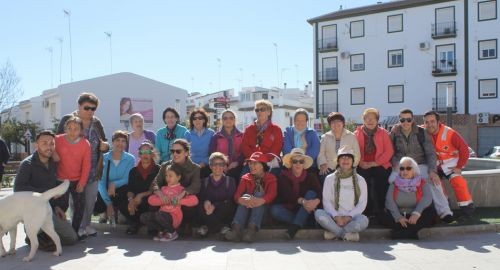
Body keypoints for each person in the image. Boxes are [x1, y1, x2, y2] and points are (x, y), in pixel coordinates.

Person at [14, 130, 78, 249]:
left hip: (50, 210)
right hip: (33, 212)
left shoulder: (54, 163)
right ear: (36, 145)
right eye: (44, 143)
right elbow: (19, 189)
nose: (49, 147)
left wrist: (57, 206)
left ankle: (42, 236)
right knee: (65, 238)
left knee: (72, 238)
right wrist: (48, 192)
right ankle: (33, 235)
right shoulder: (27, 164)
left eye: (51, 143)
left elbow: (57, 185)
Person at [57, 92, 109, 238]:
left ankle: (86, 225)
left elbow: (104, 142)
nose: (90, 111)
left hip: (93, 169)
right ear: (79, 106)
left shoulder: (97, 122)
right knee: (76, 201)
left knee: (90, 199)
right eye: (87, 108)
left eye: (93, 109)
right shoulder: (68, 120)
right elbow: (58, 141)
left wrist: (106, 146)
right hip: (71, 170)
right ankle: (77, 227)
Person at [389, 108, 454, 223]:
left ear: (412, 120)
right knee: (391, 180)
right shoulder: (394, 133)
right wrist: (395, 163)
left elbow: (430, 153)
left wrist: (433, 171)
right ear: (399, 120)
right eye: (402, 120)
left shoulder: (421, 132)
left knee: (433, 181)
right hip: (402, 165)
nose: (405, 123)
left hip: (419, 164)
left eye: (408, 120)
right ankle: (397, 211)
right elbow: (390, 151)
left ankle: (444, 212)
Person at [423, 110, 475, 218]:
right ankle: (445, 210)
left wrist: (459, 167)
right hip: (436, 165)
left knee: (458, 181)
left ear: (438, 122)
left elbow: (464, 149)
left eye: (432, 121)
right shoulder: (423, 130)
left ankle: (467, 211)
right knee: (435, 182)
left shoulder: (449, 133)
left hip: (451, 164)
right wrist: (397, 126)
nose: (429, 124)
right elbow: (409, 126)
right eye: (426, 122)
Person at [314, 146, 368, 242]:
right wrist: (336, 217)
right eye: (342, 157)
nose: (345, 160)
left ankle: (334, 233)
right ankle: (346, 235)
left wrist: (349, 217)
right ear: (338, 161)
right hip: (333, 219)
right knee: (319, 214)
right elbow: (326, 202)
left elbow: (362, 203)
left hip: (352, 219)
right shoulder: (329, 178)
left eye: (348, 157)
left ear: (353, 161)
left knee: (364, 220)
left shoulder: (360, 180)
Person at [225, 152, 277, 243]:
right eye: (250, 163)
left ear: (262, 165)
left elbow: (272, 194)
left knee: (259, 193)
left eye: (255, 163)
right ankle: (236, 230)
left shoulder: (271, 178)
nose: (251, 166)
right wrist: (243, 200)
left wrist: (260, 200)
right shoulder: (245, 177)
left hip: (263, 214)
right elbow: (237, 196)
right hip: (246, 212)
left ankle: (251, 231)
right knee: (245, 196)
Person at [150, 139, 201, 232]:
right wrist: (160, 194)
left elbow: (196, 186)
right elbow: (155, 182)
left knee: (190, 205)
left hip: (182, 201)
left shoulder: (195, 168)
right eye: (172, 151)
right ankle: (161, 227)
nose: (175, 154)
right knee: (152, 201)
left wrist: (182, 194)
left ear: (186, 153)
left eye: (178, 151)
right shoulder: (165, 165)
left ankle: (185, 225)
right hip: (166, 200)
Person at [271, 148, 321, 239]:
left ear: (303, 164)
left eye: (301, 161)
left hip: (306, 208)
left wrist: (316, 201)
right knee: (275, 210)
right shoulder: (283, 176)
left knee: (311, 194)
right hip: (290, 208)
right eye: (295, 161)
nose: (298, 164)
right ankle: (303, 221)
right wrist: (303, 201)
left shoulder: (311, 176)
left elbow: (319, 192)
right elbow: (287, 195)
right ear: (290, 163)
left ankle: (294, 227)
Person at [353, 108, 394, 219]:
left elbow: (389, 151)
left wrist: (375, 163)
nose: (370, 121)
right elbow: (353, 151)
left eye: (373, 118)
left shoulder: (384, 133)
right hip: (362, 164)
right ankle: (367, 211)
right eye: (367, 118)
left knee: (382, 181)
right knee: (363, 183)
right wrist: (360, 162)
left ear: (377, 120)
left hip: (379, 164)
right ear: (363, 120)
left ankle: (381, 210)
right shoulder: (356, 134)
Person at [53, 116, 91, 235]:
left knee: (79, 207)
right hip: (60, 180)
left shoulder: (85, 144)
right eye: (69, 128)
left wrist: (82, 182)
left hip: (77, 180)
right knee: (61, 207)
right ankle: (57, 231)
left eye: (76, 128)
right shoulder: (57, 140)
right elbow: (44, 144)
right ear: (65, 128)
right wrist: (54, 153)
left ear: (81, 130)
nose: (72, 131)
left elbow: (86, 165)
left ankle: (74, 233)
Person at [382, 157, 436, 239]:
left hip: (415, 216)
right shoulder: (394, 183)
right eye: (402, 168)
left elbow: (427, 198)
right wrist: (398, 217)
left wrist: (416, 213)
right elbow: (389, 201)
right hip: (399, 215)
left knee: (431, 213)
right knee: (383, 215)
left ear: (414, 170)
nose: (405, 171)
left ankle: (400, 233)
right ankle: (411, 232)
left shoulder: (422, 182)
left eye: (408, 168)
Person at [141, 164, 198, 241]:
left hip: (174, 218)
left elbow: (194, 200)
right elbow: (150, 200)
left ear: (178, 177)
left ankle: (173, 232)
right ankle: (163, 231)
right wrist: (162, 200)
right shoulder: (163, 189)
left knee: (159, 215)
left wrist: (179, 201)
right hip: (161, 216)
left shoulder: (181, 190)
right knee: (144, 217)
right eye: (166, 175)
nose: (167, 178)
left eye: (170, 176)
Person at [118, 141, 160, 235]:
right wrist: (131, 200)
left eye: (148, 152)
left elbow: (156, 188)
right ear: (139, 154)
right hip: (136, 201)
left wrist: (141, 196)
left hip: (149, 199)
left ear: (152, 154)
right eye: (142, 152)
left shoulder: (158, 170)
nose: (145, 155)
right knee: (121, 197)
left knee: (152, 201)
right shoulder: (133, 171)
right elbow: (130, 189)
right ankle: (135, 223)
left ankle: (151, 224)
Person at [94, 131, 136, 224]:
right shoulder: (104, 157)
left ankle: (120, 211)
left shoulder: (130, 158)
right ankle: (105, 211)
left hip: (121, 191)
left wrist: (114, 184)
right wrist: (108, 204)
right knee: (97, 206)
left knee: (124, 191)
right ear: (112, 142)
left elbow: (127, 178)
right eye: (117, 140)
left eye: (123, 141)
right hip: (106, 191)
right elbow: (101, 182)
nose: (120, 143)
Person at [194, 152, 236, 238]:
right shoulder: (204, 182)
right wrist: (205, 202)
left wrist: (215, 205)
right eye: (214, 164)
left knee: (228, 204)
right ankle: (221, 228)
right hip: (208, 211)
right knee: (199, 204)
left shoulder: (230, 181)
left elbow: (230, 199)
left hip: (221, 212)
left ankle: (206, 227)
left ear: (224, 166)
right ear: (210, 166)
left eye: (221, 164)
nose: (218, 167)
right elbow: (201, 198)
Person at [241, 99, 283, 176]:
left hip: (269, 162)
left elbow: (276, 148)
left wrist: (263, 160)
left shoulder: (276, 129)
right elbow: (244, 146)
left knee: (272, 180)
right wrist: (254, 160)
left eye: (262, 109)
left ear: (269, 112)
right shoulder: (249, 129)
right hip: (252, 162)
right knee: (244, 178)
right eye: (257, 110)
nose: (259, 112)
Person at [317, 112, 361, 184]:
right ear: (330, 124)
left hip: (347, 166)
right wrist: (322, 164)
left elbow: (357, 154)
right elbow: (321, 153)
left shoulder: (351, 136)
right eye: (333, 122)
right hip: (329, 167)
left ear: (343, 123)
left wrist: (351, 166)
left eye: (338, 121)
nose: (336, 124)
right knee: (324, 176)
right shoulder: (325, 137)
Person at [209, 109, 244, 181]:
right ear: (222, 120)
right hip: (219, 166)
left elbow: (244, 153)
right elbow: (212, 153)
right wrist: (222, 165)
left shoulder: (241, 135)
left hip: (237, 166)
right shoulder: (216, 136)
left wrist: (237, 162)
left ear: (235, 120)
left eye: (231, 118)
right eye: (225, 118)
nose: (228, 120)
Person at [184, 108, 215, 178]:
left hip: (206, 166)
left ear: (204, 120)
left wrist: (204, 162)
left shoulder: (211, 133)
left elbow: (213, 152)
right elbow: (184, 152)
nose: (197, 120)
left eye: (200, 118)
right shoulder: (187, 134)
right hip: (191, 166)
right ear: (192, 121)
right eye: (194, 118)